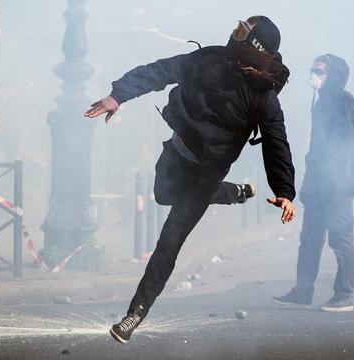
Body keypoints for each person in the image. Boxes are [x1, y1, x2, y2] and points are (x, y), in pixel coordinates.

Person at [85, 16, 296, 343]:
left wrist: (284, 191)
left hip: (207, 173)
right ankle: (234, 192)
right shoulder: (208, 59)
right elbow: (161, 70)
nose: (233, 34)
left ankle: (135, 313)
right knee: (162, 195)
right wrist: (119, 96)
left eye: (242, 33)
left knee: (170, 239)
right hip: (177, 151)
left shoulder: (262, 98)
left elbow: (277, 142)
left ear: (254, 48)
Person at [271, 54, 354, 313]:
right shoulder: (321, 102)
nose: (313, 74)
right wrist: (307, 184)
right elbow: (316, 150)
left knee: (341, 240)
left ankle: (344, 295)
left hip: (339, 185)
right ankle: (302, 292)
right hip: (318, 185)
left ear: (333, 74)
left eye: (319, 70)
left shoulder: (345, 102)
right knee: (310, 240)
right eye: (313, 69)